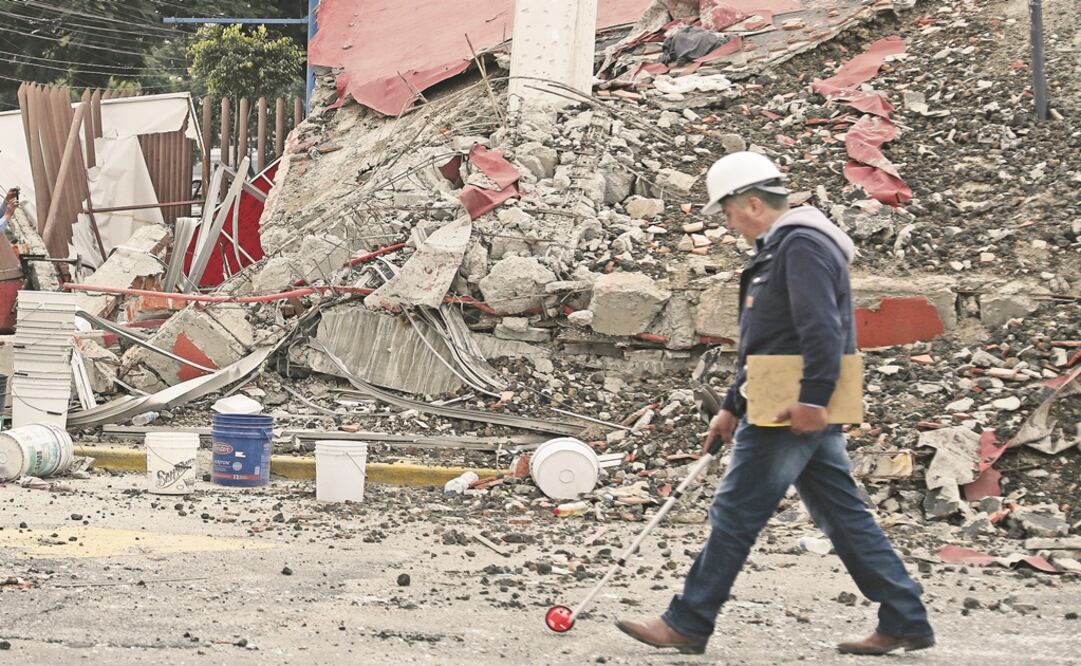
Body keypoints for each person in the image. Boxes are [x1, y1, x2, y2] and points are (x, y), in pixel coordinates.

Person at [615, 152, 934, 656]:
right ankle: (905, 617)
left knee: (736, 508)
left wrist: (812, 399)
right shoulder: (783, 248)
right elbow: (768, 339)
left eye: (727, 212)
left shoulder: (800, 247)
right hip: (781, 400)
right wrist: (729, 407)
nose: (728, 223)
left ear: (753, 204)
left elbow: (821, 329)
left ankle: (689, 620)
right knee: (842, 513)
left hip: (789, 408)